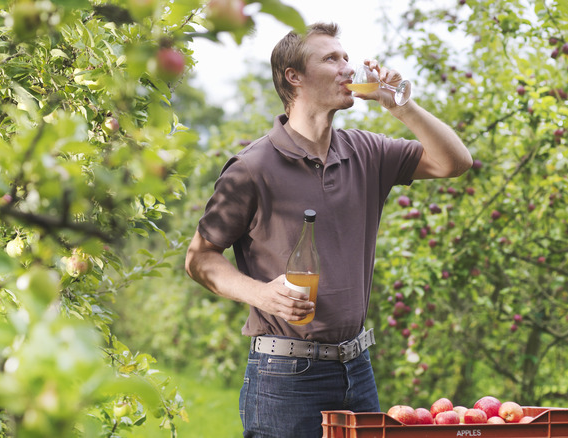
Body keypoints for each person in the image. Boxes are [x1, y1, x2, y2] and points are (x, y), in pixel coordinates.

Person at [185, 22, 472, 438]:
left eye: (346, 57)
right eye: (331, 59)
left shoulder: (367, 151)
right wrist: (262, 294)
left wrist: (401, 106)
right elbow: (199, 258)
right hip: (284, 376)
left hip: (357, 367)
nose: (347, 68)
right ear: (294, 77)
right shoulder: (252, 167)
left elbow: (454, 162)